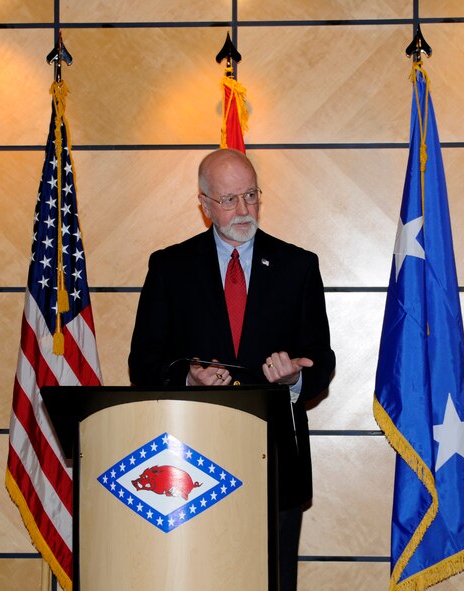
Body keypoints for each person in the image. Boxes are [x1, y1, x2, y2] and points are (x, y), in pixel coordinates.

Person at [128, 147, 335, 590]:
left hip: (275, 460)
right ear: (204, 205)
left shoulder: (299, 266)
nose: (244, 210)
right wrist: (188, 378)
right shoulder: (169, 267)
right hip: (189, 462)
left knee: (272, 580)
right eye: (229, 199)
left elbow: (322, 357)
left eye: (251, 195)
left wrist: (294, 378)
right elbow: (142, 360)